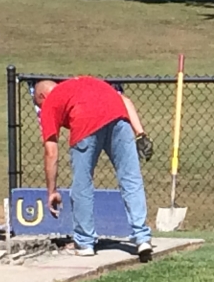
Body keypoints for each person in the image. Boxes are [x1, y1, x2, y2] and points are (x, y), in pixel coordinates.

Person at [33, 76, 155, 262]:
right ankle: (142, 238)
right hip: (118, 117)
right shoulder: (85, 81)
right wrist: (140, 133)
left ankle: (85, 242)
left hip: (85, 123)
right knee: (131, 178)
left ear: (42, 96)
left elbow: (51, 151)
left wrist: (52, 191)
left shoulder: (50, 103)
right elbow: (125, 100)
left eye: (39, 105)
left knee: (82, 184)